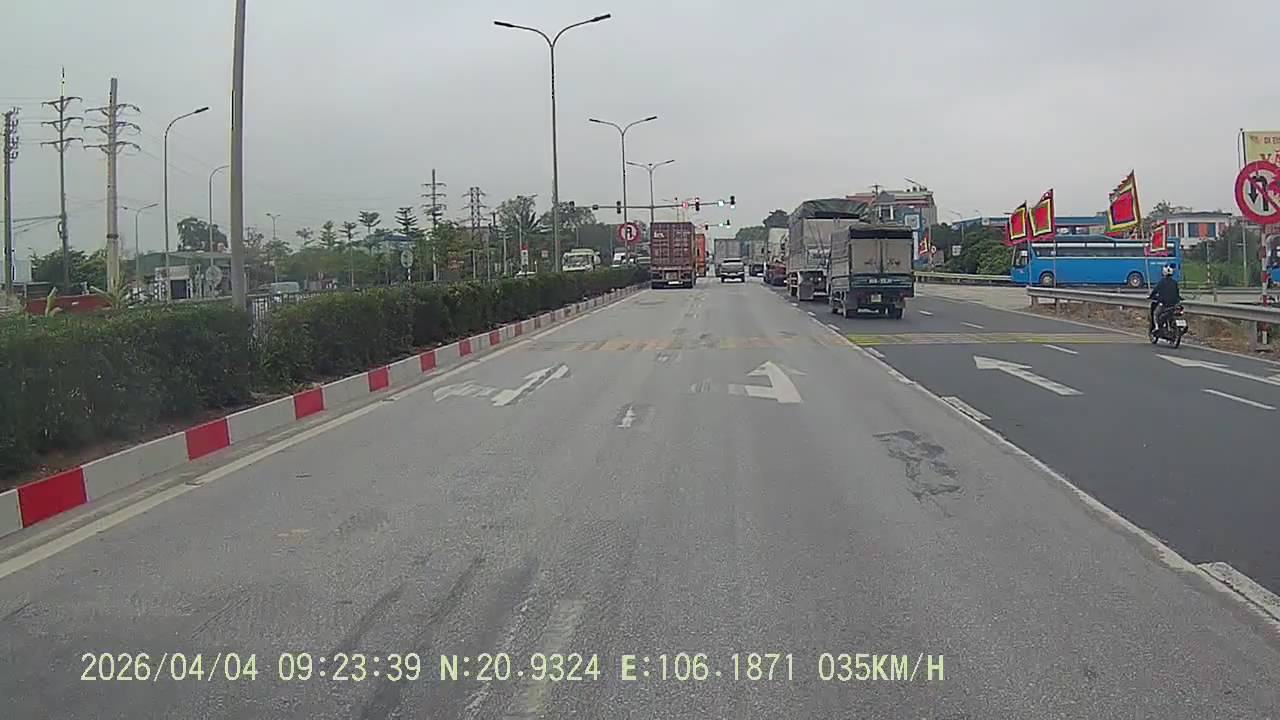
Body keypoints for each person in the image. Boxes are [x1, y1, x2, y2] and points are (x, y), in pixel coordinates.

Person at [1149, 264, 1181, 334]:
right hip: (1173, 305)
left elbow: (1155, 291)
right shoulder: (1174, 282)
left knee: (1155, 314)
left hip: (1164, 304)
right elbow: (1177, 293)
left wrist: (1151, 296)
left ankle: (1157, 327)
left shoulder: (1161, 282)